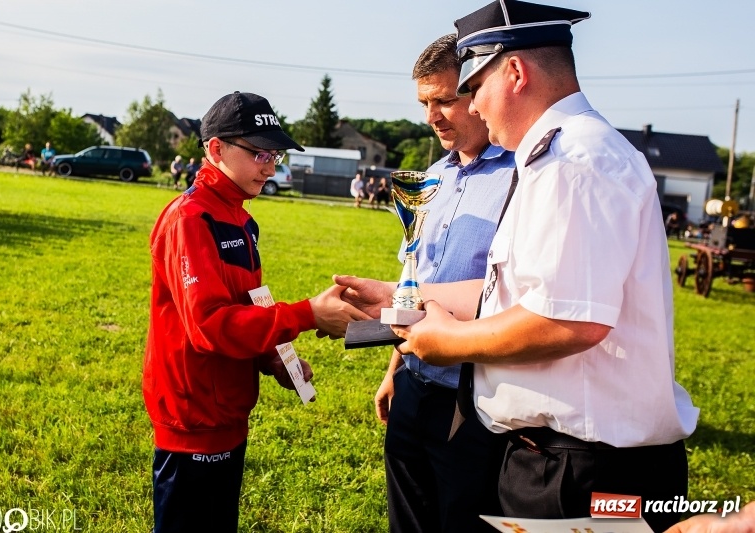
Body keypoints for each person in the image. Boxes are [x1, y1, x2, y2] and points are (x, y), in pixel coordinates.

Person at [337, 2, 698, 532]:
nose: (475, 106)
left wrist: (446, 344)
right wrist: (396, 293)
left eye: (474, 86)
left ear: (514, 72)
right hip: (560, 461)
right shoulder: (557, 159)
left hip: (587, 471)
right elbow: (508, 293)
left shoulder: (574, 163)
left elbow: (570, 321)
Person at [142, 91, 368, 533]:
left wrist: (274, 359)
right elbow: (209, 327)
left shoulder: (241, 218)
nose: (271, 165)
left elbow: (248, 304)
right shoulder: (190, 219)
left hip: (227, 411)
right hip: (192, 419)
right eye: (259, 152)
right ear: (215, 149)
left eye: (276, 153)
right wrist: (307, 314)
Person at [373, 33, 516, 533]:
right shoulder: (429, 178)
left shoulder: (526, 177)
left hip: (476, 399)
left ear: (477, 91)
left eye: (444, 99)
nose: (431, 116)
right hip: (414, 382)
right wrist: (395, 367)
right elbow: (414, 278)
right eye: (424, 103)